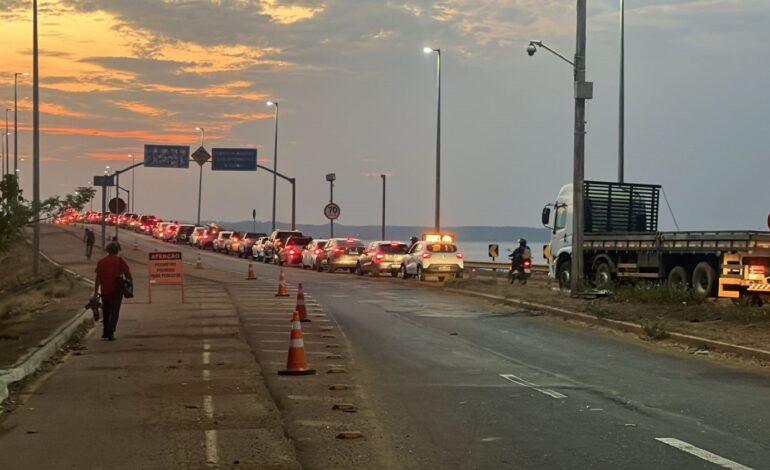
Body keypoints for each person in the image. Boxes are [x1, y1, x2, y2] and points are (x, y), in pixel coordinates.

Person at [93, 242, 132, 341]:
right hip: (116, 290)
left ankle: (105, 331)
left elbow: (98, 278)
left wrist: (95, 291)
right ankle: (111, 332)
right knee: (115, 312)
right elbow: (128, 274)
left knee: (106, 311)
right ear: (117, 251)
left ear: (107, 250)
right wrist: (129, 284)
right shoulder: (120, 261)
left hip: (105, 290)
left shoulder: (101, 262)